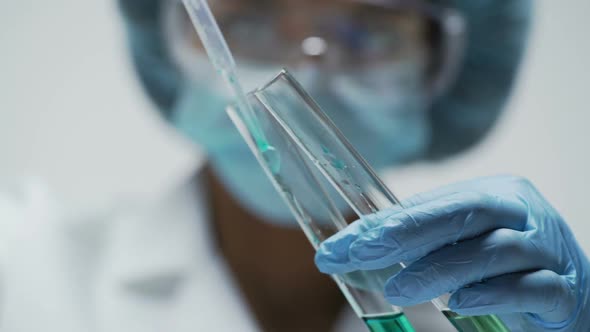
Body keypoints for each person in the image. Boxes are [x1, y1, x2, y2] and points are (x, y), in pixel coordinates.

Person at [0, 0, 587, 331]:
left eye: (372, 30)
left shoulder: (512, 314)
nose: (310, 70)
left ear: (446, 66)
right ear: (173, 45)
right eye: (251, 21)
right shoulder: (22, 273)